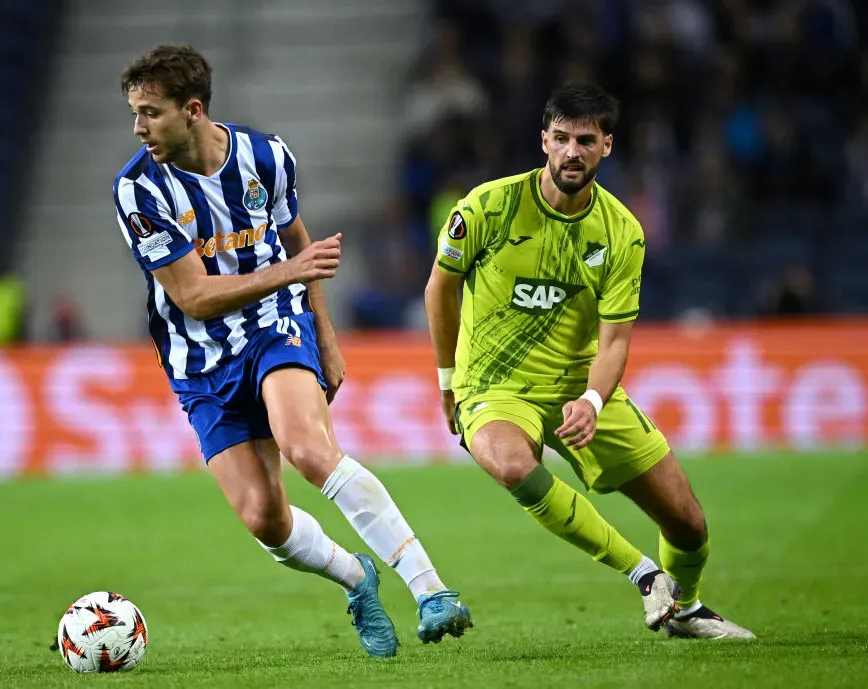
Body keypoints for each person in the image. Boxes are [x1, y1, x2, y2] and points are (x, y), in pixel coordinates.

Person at [112, 44, 471, 657]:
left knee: (308, 449)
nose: (138, 127)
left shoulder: (266, 158)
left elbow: (294, 237)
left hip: (273, 324)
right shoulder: (138, 191)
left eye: (151, 113)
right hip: (199, 361)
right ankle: (358, 579)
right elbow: (195, 297)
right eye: (135, 114)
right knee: (265, 520)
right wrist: (293, 269)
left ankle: (430, 588)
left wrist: (324, 335)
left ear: (192, 110)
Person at [423, 84, 754, 640]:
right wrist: (449, 382)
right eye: (561, 139)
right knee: (511, 466)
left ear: (607, 146)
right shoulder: (487, 207)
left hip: (580, 385)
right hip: (496, 384)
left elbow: (616, 342)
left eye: (585, 140)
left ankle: (686, 609)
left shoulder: (622, 232)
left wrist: (594, 401)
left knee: (688, 523)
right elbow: (440, 289)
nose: (572, 151)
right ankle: (646, 576)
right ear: (544, 142)